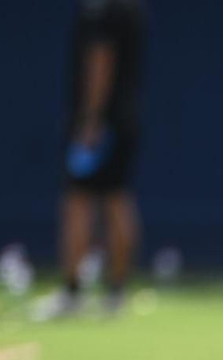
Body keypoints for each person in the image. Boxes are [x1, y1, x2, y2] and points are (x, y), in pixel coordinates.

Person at [37, 0, 146, 320]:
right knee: (117, 197)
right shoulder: (133, 8)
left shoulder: (101, 9)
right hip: (125, 118)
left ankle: (73, 293)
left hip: (100, 123)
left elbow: (101, 58)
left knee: (79, 201)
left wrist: (92, 118)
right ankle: (116, 292)